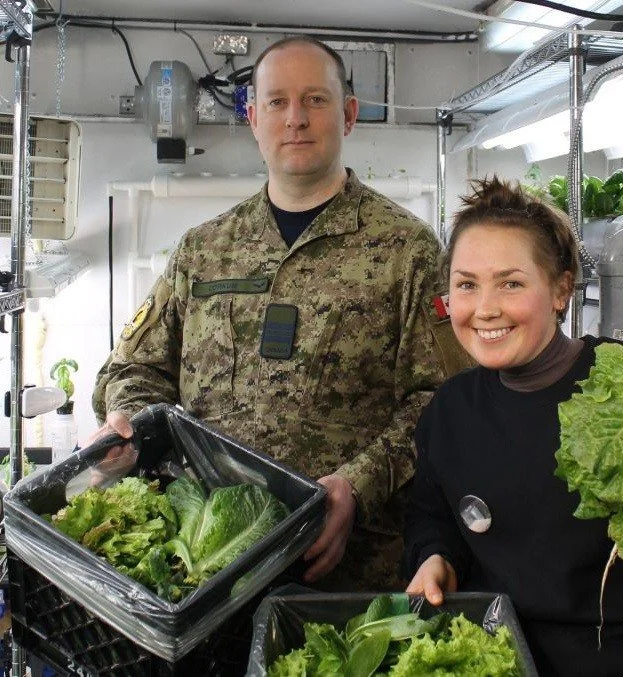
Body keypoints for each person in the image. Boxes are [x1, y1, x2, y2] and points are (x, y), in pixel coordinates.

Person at [90, 36, 468, 590]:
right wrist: (130, 421)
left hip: (347, 568)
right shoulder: (203, 250)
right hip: (205, 558)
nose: (296, 119)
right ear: (253, 118)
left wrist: (356, 485)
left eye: (315, 99)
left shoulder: (407, 251)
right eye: (277, 102)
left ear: (349, 115)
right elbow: (134, 369)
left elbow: (442, 399)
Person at [403, 177, 623, 676]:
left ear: (561, 289)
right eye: (466, 285)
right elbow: (433, 515)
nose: (484, 308)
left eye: (511, 283)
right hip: (502, 663)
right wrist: (436, 556)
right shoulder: (452, 410)